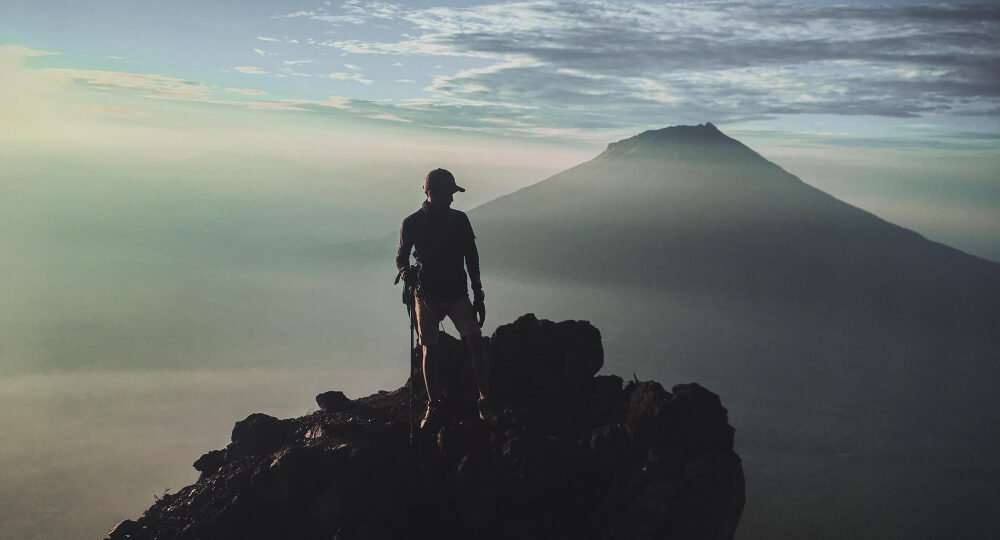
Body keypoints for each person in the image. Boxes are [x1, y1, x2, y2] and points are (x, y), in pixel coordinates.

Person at [396, 168, 495, 430]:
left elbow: (471, 258)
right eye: (449, 194)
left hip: (443, 293)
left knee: (445, 346)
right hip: (437, 294)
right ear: (433, 193)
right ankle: (440, 403)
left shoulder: (423, 222)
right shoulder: (417, 222)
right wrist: (406, 272)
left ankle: (477, 400)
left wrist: (478, 293)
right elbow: (402, 258)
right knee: (442, 346)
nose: (452, 199)